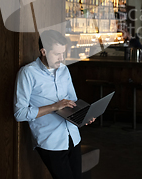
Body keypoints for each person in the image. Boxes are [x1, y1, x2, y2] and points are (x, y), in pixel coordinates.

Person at [13, 29, 94, 179]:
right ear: (43, 51)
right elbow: (19, 113)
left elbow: (73, 101)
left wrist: (84, 115)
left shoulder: (64, 69)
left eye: (63, 53)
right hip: (50, 141)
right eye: (57, 54)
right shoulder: (28, 73)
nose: (61, 58)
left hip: (73, 137)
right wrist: (54, 107)